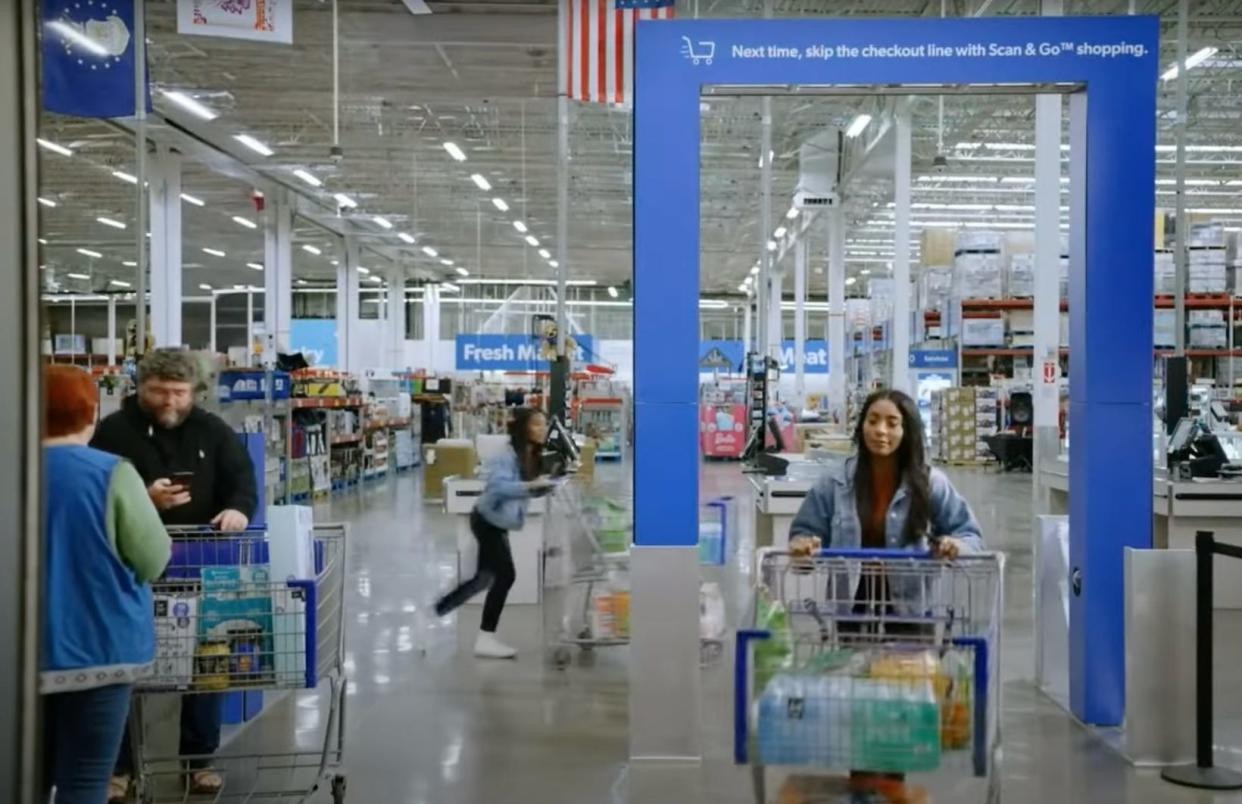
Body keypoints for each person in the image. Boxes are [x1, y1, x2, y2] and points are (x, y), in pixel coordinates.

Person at [788, 388, 983, 798]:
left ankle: (889, 790)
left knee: (899, 710)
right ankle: (863, 789)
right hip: (853, 608)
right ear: (861, 426)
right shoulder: (836, 483)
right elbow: (804, 530)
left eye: (892, 423)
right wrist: (804, 546)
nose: (881, 431)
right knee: (858, 702)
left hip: (909, 612)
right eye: (873, 420)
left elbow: (970, 533)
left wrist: (955, 546)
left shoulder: (931, 483)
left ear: (907, 430)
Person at [92, 349, 258, 799]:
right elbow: (97, 494)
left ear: (194, 392)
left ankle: (198, 760)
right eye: (159, 392)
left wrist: (237, 510)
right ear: (140, 388)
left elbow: (242, 480)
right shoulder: (113, 433)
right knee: (123, 672)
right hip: (129, 570)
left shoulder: (212, 430)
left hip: (201, 562)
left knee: (208, 662)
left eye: (179, 393)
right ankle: (118, 767)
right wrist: (143, 500)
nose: (169, 401)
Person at [41, 366, 172, 804]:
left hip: (19, 660)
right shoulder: (112, 473)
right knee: (84, 782)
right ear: (92, 414)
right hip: (101, 652)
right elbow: (154, 560)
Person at [434, 408, 555, 659]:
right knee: (506, 575)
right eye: (536, 425)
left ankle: (436, 611)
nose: (542, 429)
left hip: (496, 522)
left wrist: (548, 484)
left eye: (544, 424)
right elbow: (498, 487)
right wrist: (531, 485)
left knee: (484, 579)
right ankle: (484, 638)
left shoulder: (531, 455)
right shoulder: (507, 457)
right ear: (524, 428)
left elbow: (525, 491)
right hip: (487, 520)